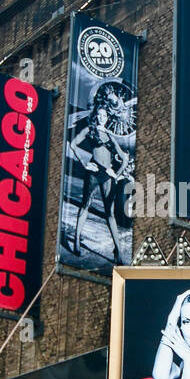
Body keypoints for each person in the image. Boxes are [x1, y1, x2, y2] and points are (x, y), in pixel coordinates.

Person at [64, 80, 134, 265]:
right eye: (100, 115)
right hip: (94, 172)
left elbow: (124, 158)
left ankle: (118, 251)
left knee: (109, 213)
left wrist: (116, 174)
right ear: (96, 115)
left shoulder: (110, 136)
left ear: (108, 117)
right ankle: (76, 241)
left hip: (107, 176)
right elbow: (73, 144)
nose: (102, 117)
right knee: (85, 206)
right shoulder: (90, 130)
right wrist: (85, 164)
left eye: (105, 115)